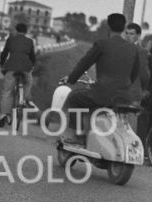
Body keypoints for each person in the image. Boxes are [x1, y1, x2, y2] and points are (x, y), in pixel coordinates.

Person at [60, 12, 140, 144]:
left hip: (102, 93)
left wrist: (71, 79)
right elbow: (134, 73)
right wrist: (124, 85)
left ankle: (78, 136)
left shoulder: (102, 44)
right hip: (123, 96)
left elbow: (84, 63)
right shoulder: (133, 49)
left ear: (109, 27)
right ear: (123, 28)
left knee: (75, 98)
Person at [0, 22, 37, 126]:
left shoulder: (11, 39)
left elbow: (4, 53)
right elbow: (32, 57)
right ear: (26, 31)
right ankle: (25, 99)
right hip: (25, 68)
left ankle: (4, 115)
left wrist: (1, 64)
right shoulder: (30, 41)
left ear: (16, 30)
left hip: (12, 67)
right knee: (28, 82)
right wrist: (32, 65)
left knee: (7, 92)